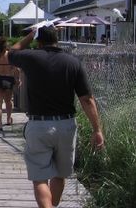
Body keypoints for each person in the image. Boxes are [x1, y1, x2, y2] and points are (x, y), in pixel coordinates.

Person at [8, 25, 104, 208]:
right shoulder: (73, 62)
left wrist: (29, 35)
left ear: (39, 41)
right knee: (60, 175)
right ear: (57, 40)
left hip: (39, 125)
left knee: (39, 178)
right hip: (66, 125)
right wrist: (97, 130)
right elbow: (87, 99)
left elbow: (12, 51)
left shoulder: (31, 58)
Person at [0, 36, 20, 131]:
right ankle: (8, 118)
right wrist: (17, 79)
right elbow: (16, 69)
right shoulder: (9, 55)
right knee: (8, 101)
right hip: (8, 78)